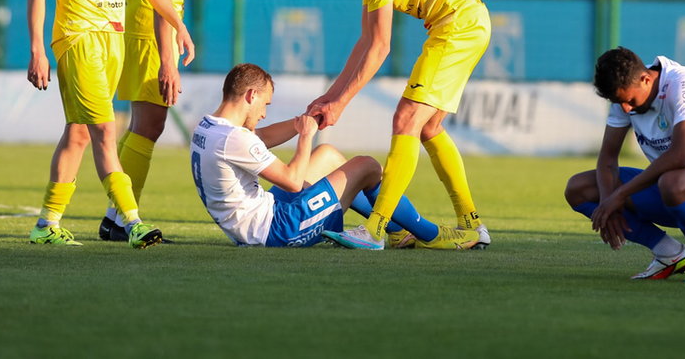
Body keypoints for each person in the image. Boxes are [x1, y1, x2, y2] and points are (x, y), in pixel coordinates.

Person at [26, 0, 195, 248]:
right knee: (104, 129)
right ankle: (131, 221)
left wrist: (177, 24)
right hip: (77, 38)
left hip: (113, 39)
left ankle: (47, 224)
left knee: (80, 134)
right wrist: (37, 49)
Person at [303, 0, 491, 251]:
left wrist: (341, 103)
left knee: (406, 119)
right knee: (429, 127)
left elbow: (380, 47)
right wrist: (331, 96)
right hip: (467, 24)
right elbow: (365, 41)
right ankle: (471, 224)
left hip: (458, 27)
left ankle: (375, 230)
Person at [99, 0, 249, 241]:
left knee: (141, 124)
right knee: (151, 124)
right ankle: (119, 219)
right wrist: (168, 62)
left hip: (136, 20)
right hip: (148, 28)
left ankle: (116, 215)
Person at [190, 63, 481, 250]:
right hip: (277, 230)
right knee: (366, 166)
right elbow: (292, 181)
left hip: (259, 219)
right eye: (264, 104)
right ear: (251, 95)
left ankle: (394, 230)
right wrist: (305, 136)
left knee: (327, 155)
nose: (264, 113)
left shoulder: (210, 127)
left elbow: (260, 138)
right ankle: (431, 235)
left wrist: (302, 121)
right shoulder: (234, 138)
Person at [564, 47, 685, 283]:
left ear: (646, 78)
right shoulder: (624, 97)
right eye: (620, 103)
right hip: (668, 189)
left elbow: (681, 155)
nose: (626, 109)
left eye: (629, 100)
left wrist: (618, 196)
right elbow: (608, 159)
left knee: (673, 180)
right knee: (579, 188)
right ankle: (669, 254)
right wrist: (609, 202)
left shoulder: (682, 84)